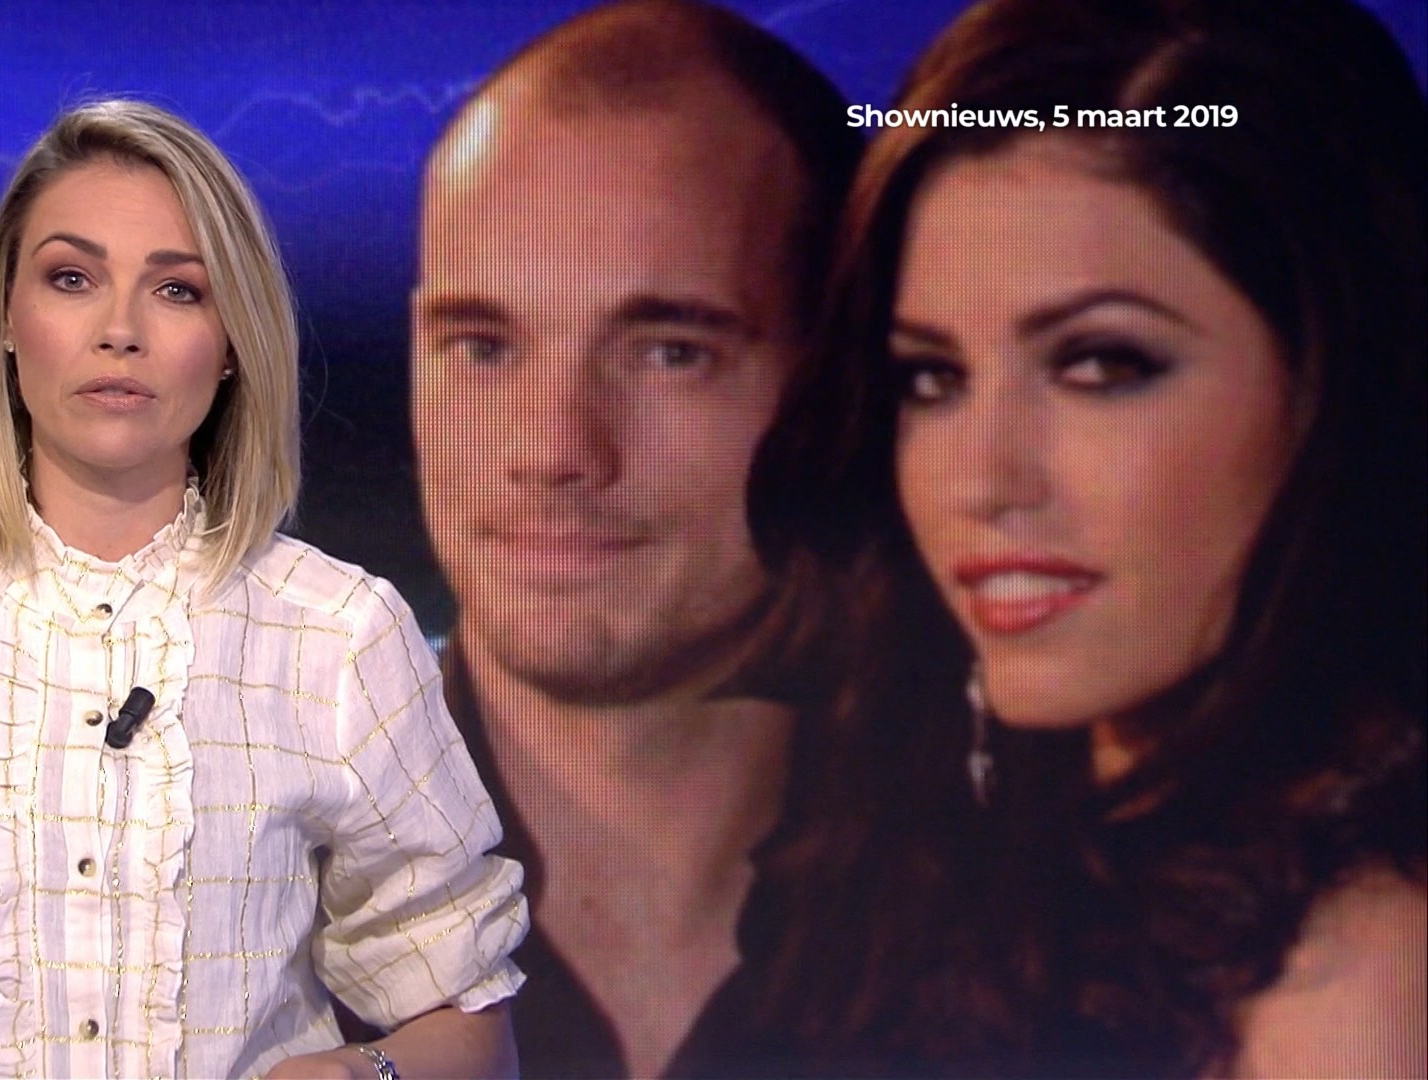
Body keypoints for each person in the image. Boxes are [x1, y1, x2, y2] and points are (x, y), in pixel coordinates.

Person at [0, 99, 527, 1080]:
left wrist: (363, 1076)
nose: (120, 330)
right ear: (6, 317)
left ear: (232, 342)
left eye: (178, 290)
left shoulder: (339, 632)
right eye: (72, 279)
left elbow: (472, 1023)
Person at [754, 0, 1427, 1073]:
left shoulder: (1357, 980)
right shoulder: (959, 848)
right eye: (932, 378)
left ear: (1337, 382)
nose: (980, 482)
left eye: (1101, 365)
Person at [408, 2, 860, 1075]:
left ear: (838, 383)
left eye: (668, 352)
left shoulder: (1067, 908)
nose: (554, 451)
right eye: (483, 346)